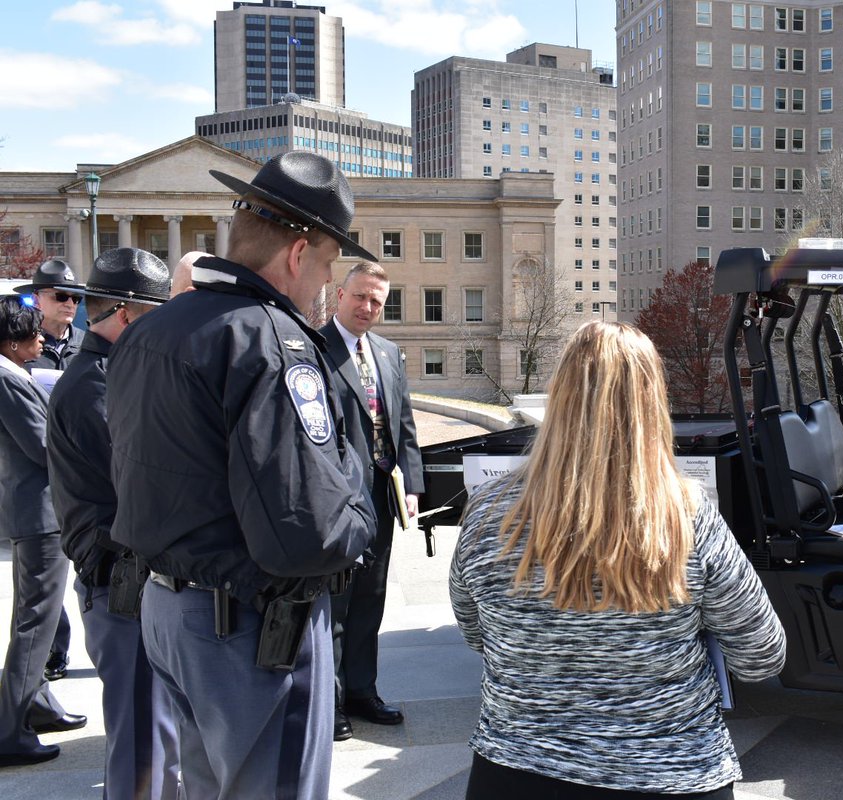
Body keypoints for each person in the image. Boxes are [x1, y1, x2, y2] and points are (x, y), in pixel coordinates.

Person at [105, 152, 375, 799]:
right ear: (297, 254)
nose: (322, 285)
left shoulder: (151, 332)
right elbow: (304, 530)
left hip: (168, 612)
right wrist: (362, 514)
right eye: (327, 267)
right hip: (250, 634)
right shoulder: (269, 342)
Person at [449, 321, 787, 799]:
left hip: (516, 772)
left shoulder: (486, 515)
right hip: (670, 772)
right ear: (652, 402)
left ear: (559, 397)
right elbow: (761, 656)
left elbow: (478, 635)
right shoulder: (688, 517)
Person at [46, 248, 180, 798]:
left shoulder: (111, 373)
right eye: (159, 314)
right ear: (126, 314)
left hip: (130, 581)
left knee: (156, 736)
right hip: (120, 586)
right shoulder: (94, 387)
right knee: (141, 745)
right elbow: (146, 483)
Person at [320, 261, 422, 741]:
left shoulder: (388, 352)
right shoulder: (313, 348)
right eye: (360, 296)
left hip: (381, 499)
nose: (367, 307)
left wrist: (415, 487)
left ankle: (363, 690)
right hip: (336, 503)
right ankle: (332, 700)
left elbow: (404, 426)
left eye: (377, 301)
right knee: (335, 606)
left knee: (370, 602)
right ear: (339, 295)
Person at [0, 296, 86, 767]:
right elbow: (41, 445)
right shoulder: (8, 379)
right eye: (33, 334)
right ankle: (10, 730)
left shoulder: (14, 374)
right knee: (36, 623)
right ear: (13, 343)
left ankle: (35, 704)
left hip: (36, 513)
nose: (42, 339)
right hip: (40, 516)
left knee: (36, 619)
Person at [13, 259, 82, 681]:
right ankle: (53, 656)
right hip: (41, 479)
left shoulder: (85, 346)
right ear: (37, 298)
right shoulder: (17, 354)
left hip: (82, 477)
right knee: (42, 585)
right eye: (60, 296)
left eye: (75, 297)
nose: (70, 304)